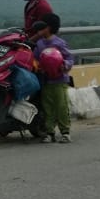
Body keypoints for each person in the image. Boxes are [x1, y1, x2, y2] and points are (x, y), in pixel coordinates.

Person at [32, 12, 74, 143]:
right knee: (47, 108)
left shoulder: (59, 43)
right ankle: (49, 132)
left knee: (61, 107)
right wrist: (36, 66)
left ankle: (65, 132)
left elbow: (70, 58)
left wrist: (65, 65)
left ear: (48, 27)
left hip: (60, 81)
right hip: (46, 81)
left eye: (42, 27)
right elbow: (35, 59)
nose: (39, 30)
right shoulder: (39, 44)